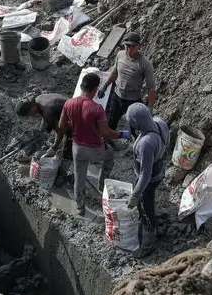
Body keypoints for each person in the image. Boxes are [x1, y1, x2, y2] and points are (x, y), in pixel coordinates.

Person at [59, 73, 129, 216]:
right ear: (95, 89)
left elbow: (61, 125)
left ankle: (80, 207)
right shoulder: (97, 109)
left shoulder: (69, 104)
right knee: (109, 155)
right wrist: (122, 134)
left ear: (81, 86)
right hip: (95, 149)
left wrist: (73, 127)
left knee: (79, 177)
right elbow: (106, 133)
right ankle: (101, 184)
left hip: (77, 148)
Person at [124, 103, 171, 256]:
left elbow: (145, 173)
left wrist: (135, 195)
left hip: (149, 180)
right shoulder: (159, 122)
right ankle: (150, 221)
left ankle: (149, 237)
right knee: (147, 202)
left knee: (145, 207)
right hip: (158, 170)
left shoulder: (146, 144)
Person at [98, 31, 158, 129]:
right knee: (110, 122)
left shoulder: (145, 63)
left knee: (135, 128)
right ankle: (107, 141)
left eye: (132, 46)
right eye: (127, 46)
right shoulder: (120, 55)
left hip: (132, 101)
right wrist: (104, 87)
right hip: (117, 96)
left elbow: (151, 88)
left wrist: (150, 109)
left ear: (139, 46)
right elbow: (114, 73)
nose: (128, 49)